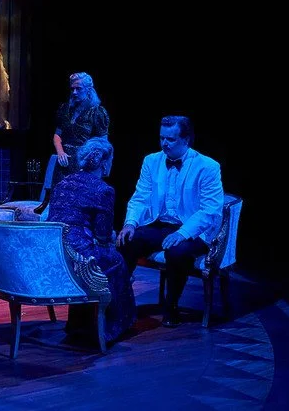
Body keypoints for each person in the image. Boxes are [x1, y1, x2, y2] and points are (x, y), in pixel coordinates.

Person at [116, 115, 224, 328]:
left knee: (177, 252)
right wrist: (130, 223)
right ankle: (120, 300)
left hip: (194, 229)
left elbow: (209, 211)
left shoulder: (207, 166)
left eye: (170, 139)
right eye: (161, 138)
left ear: (186, 140)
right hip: (161, 224)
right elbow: (140, 197)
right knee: (127, 240)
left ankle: (171, 305)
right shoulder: (151, 161)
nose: (164, 143)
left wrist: (182, 233)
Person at [46, 137, 136, 344]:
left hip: (55, 251)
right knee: (116, 260)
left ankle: (78, 324)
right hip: (79, 255)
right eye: (111, 160)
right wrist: (112, 235)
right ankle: (111, 326)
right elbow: (103, 236)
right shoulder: (103, 190)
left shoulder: (62, 183)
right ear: (104, 163)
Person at [52, 72, 110, 186]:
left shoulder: (96, 112)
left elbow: (103, 143)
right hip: (64, 164)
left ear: (88, 90)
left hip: (84, 164)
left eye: (78, 89)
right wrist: (60, 152)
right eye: (72, 89)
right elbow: (57, 134)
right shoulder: (65, 109)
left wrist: (94, 163)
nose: (74, 92)